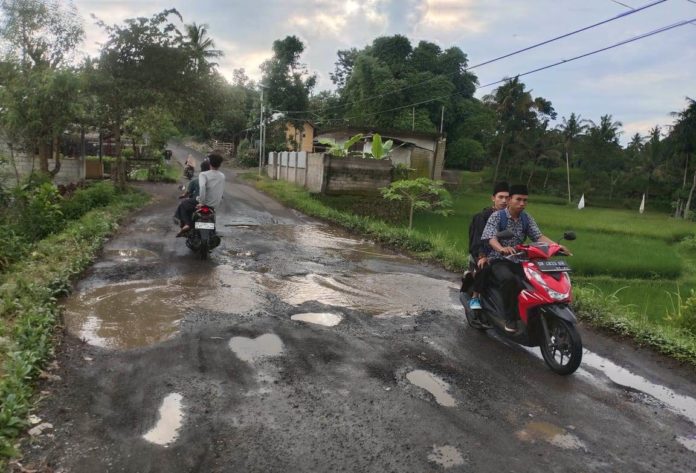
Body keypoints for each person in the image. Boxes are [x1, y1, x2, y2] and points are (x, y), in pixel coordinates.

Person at [480, 184, 570, 332]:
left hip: (521, 260)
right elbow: (491, 238)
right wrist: (502, 249)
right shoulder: (497, 216)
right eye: (519, 199)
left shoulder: (526, 218)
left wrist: (556, 246)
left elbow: (538, 236)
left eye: (525, 200)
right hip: (499, 260)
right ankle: (510, 319)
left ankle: (537, 312)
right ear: (509, 200)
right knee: (510, 280)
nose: (522, 203)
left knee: (540, 280)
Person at [467, 181, 509, 310]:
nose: (503, 201)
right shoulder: (482, 217)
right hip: (484, 251)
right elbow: (478, 239)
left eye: (507, 198)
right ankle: (475, 297)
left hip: (504, 253)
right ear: (493, 198)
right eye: (500, 197)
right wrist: (482, 255)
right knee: (484, 267)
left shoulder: (511, 217)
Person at [175, 153, 225, 237]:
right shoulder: (222, 176)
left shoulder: (203, 175)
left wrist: (201, 202)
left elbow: (202, 187)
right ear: (220, 164)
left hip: (203, 202)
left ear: (210, 163)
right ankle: (212, 231)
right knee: (212, 216)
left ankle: (187, 224)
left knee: (183, 204)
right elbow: (220, 190)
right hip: (214, 205)